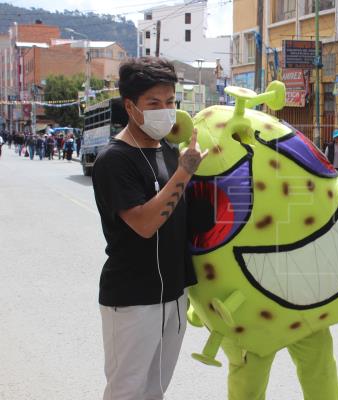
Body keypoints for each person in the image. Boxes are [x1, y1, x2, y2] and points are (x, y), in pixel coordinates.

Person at [92, 57, 207, 400]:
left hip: (173, 296)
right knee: (126, 391)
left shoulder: (169, 152)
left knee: (155, 390)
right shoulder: (114, 160)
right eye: (153, 103)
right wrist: (184, 172)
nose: (165, 110)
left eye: (170, 101)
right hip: (131, 300)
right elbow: (144, 224)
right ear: (131, 106)